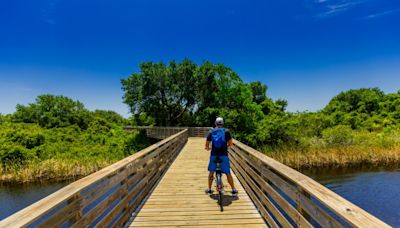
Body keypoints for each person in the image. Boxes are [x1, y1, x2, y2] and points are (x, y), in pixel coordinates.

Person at [205, 117, 238, 196]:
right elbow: (230, 144)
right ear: (222, 124)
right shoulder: (226, 131)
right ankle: (233, 190)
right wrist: (226, 146)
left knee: (211, 172)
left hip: (214, 155)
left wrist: (208, 148)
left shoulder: (211, 131)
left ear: (215, 123)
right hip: (224, 155)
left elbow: (206, 144)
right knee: (227, 173)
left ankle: (209, 189)